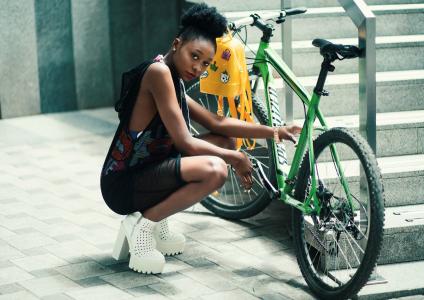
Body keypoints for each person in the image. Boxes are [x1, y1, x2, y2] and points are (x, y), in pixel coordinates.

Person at [100, 3, 301, 274]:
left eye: (206, 64)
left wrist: (275, 131)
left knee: (225, 141)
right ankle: (144, 227)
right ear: (176, 44)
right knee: (215, 169)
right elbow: (185, 141)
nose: (198, 68)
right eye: (194, 57)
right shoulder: (158, 73)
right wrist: (236, 159)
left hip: (150, 170)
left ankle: (157, 222)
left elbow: (217, 122)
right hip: (123, 183)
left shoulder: (175, 79)